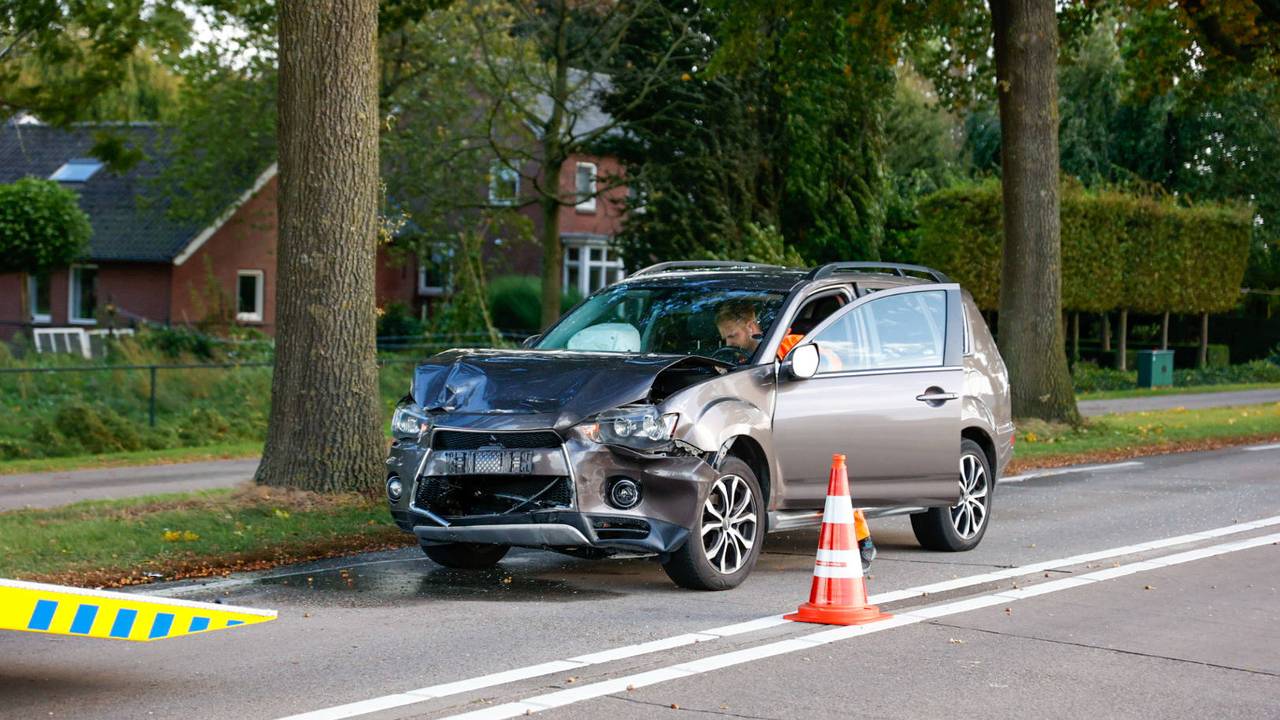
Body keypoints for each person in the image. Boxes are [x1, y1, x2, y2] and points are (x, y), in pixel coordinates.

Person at [713, 299, 877, 572]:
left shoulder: (791, 344)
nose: (729, 342)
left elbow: (830, 364)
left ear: (752, 326)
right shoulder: (737, 358)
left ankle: (861, 542)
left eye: (733, 335)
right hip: (775, 425)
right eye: (725, 337)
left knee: (832, 484)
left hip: (813, 420)